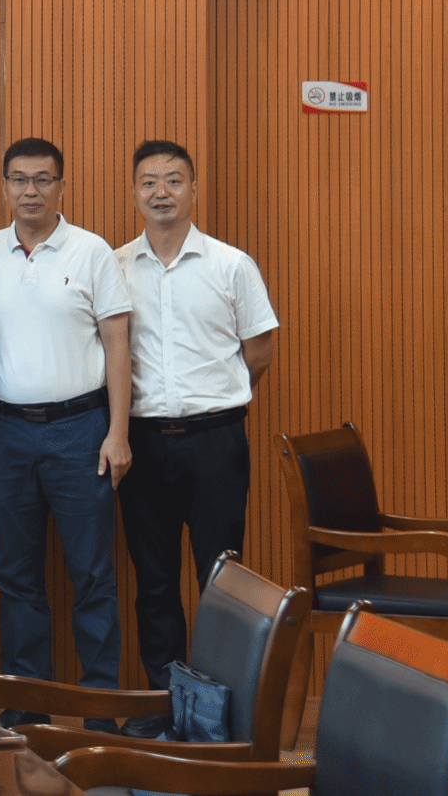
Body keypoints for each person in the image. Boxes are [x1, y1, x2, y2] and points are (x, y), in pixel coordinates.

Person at [0, 137, 132, 725]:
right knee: (15, 574)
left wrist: (118, 432)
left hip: (82, 431)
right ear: (4, 187)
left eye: (43, 179)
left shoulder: (92, 252)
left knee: (92, 574)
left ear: (62, 186)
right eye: (19, 179)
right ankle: (27, 706)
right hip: (7, 434)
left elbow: (118, 346)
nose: (30, 190)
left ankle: (100, 709)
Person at [115, 139, 279, 725]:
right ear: (135, 193)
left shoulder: (231, 265)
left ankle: (218, 714)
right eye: (149, 182)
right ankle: (167, 706)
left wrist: (215, 400)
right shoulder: (114, 266)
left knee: (223, 579)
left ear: (193, 189)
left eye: (173, 180)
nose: (161, 192)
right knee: (154, 581)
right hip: (142, 442)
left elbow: (258, 351)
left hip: (216, 442)